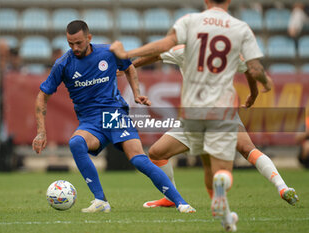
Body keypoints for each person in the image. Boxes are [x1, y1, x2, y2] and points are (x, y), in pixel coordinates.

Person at [111, 0, 272, 231]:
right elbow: (254, 70)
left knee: (202, 166)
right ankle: (221, 194)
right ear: (228, 2)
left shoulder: (189, 23)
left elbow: (163, 46)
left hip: (194, 113)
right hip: (222, 113)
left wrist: (128, 55)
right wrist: (265, 83)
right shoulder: (239, 29)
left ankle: (225, 217)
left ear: (206, 1)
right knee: (222, 171)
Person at [32, 20, 195, 214]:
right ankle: (100, 201)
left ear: (89, 38)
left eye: (79, 43)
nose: (75, 48)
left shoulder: (107, 53)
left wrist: (136, 93)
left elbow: (129, 67)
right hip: (90, 121)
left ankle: (181, 203)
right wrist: (41, 131)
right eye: (70, 44)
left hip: (114, 115)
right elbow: (42, 95)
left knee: (137, 159)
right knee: (76, 143)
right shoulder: (63, 64)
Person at [131, 45, 298, 208]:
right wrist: (254, 93)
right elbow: (250, 69)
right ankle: (282, 187)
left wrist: (130, 65)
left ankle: (177, 198)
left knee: (157, 153)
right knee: (248, 150)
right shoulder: (228, 51)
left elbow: (156, 54)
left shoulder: (184, 49)